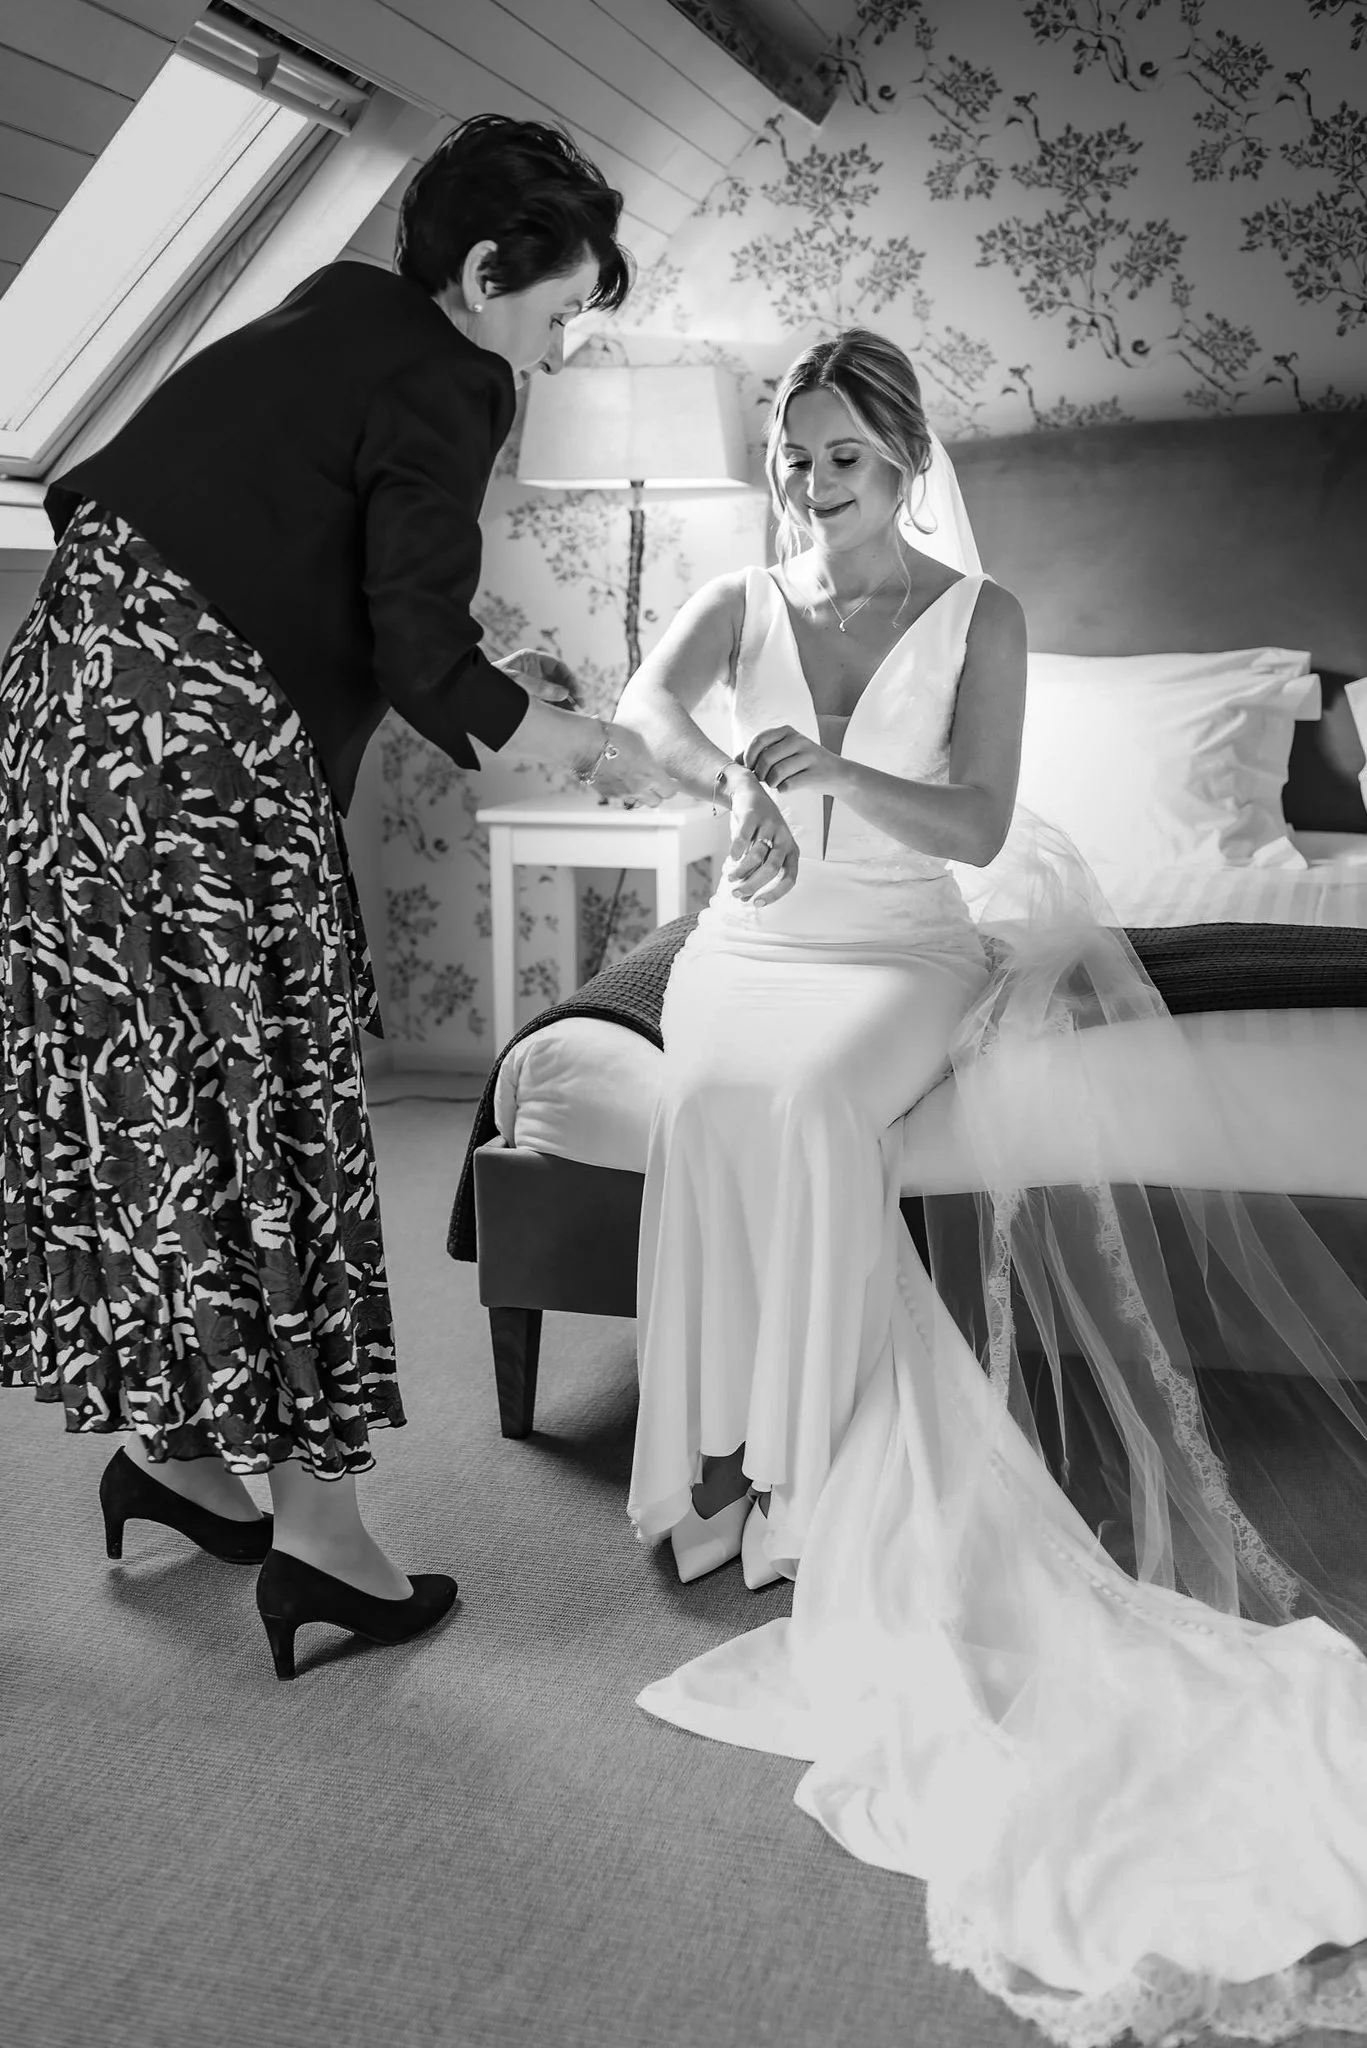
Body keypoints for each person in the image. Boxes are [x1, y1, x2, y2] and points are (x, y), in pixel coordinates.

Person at [613, 328, 1367, 2042]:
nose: (813, 485)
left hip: (901, 948)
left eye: (844, 460)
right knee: (701, 1092)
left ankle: (802, 1475)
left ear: (902, 462)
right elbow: (645, 704)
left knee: (817, 1103)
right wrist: (726, 774)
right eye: (794, 456)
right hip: (749, 942)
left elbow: (971, 828)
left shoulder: (980, 616)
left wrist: (831, 774)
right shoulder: (738, 595)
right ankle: (715, 1448)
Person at [0, 114, 666, 1682]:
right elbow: (420, 655)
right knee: (276, 1108)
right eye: (560, 309)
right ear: (487, 273)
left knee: (152, 1109)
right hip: (197, 761)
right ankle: (323, 1542)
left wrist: (494, 678)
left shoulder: (325, 313)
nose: (556, 347)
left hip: (59, 735)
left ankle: (177, 1456)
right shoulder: (454, 375)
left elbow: (329, 574)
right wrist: (587, 746)